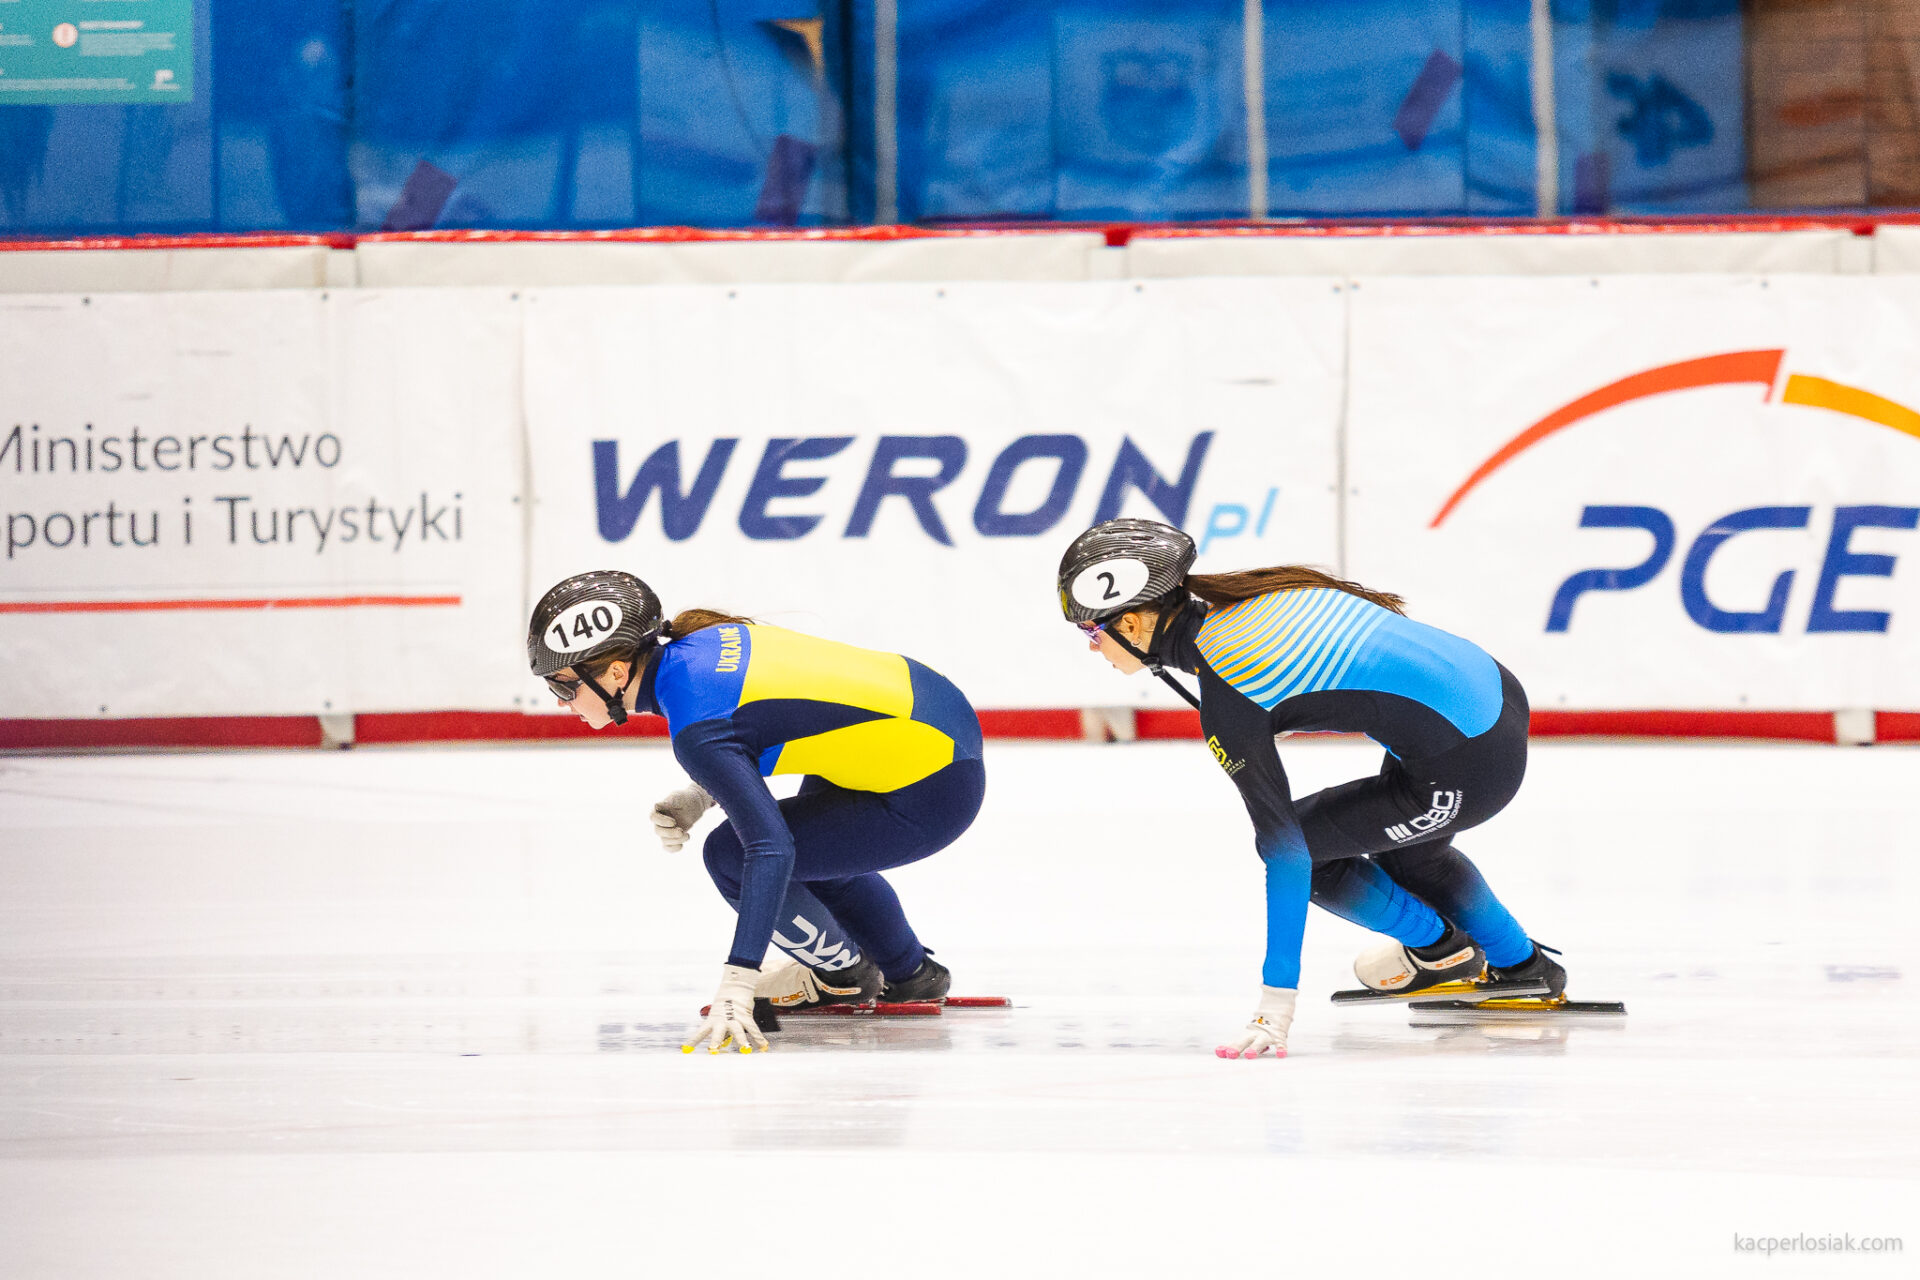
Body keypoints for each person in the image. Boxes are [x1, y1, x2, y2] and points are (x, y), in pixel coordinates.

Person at [1056, 519, 1563, 1060]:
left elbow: (1286, 853)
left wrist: (1274, 1006)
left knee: (1307, 848)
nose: (1094, 649)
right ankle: (1518, 967)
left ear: (1131, 623)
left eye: (1092, 633)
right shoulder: (1253, 595)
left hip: (1467, 758)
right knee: (1410, 853)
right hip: (1490, 698)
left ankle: (1443, 951)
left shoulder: (1228, 684)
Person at [527, 569, 984, 1054]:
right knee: (818, 852)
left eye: (563, 687)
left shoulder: (697, 727)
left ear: (617, 674)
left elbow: (769, 848)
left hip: (934, 786)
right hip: (925, 726)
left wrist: (739, 979)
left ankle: (843, 976)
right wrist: (705, 791)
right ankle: (912, 973)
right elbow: (784, 713)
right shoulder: (706, 640)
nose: (561, 703)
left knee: (731, 854)